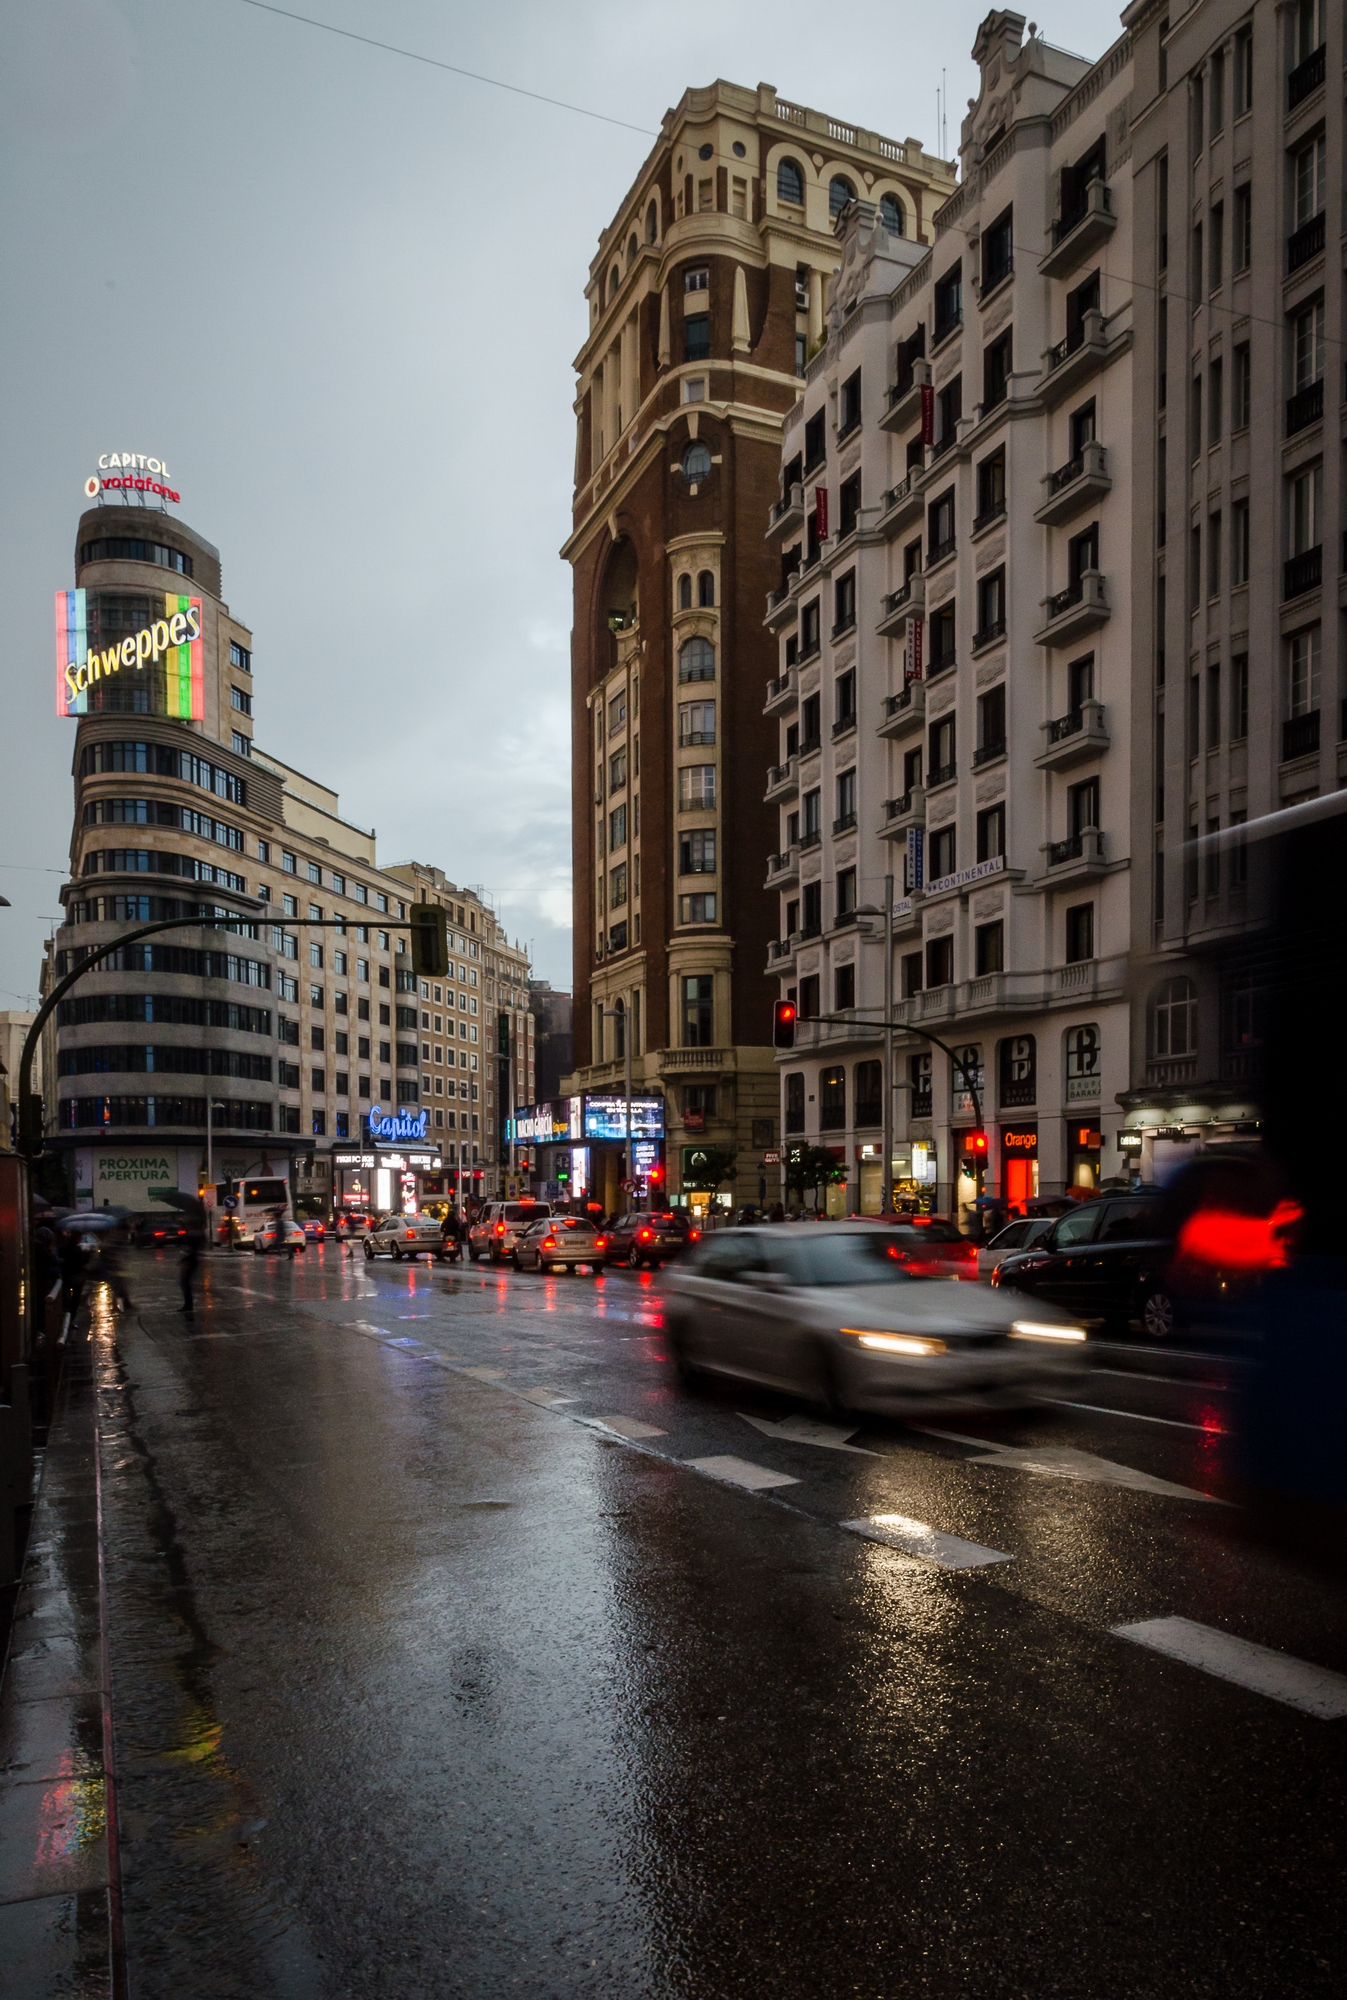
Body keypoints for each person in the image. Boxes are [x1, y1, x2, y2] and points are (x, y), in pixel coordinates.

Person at [179, 1212, 205, 1317]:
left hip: (192, 1261)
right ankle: (188, 1304)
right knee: (185, 1283)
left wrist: (184, 1259)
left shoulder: (195, 1235)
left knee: (185, 1283)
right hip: (191, 1260)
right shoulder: (196, 1234)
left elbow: (192, 1249)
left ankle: (188, 1305)